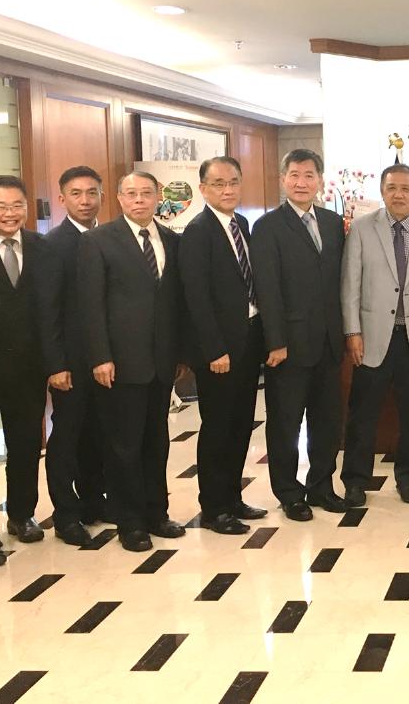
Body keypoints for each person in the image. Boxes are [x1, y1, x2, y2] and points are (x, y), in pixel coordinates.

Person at [78, 171, 186, 552]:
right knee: (123, 445)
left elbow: (175, 304)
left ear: (158, 197)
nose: (139, 200)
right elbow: (89, 306)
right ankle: (130, 522)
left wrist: (180, 354)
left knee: (157, 441)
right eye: (131, 194)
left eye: (146, 193)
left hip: (161, 361)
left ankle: (157, 512)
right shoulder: (97, 241)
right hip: (119, 363)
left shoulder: (172, 240)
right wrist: (100, 357)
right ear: (119, 199)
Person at [340, 163, 409, 507]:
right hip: (372, 336)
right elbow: (350, 283)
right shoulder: (361, 228)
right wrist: (353, 330)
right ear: (382, 191)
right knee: (362, 415)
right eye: (392, 188)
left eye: (406, 188)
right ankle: (356, 481)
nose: (398, 194)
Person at [251, 149, 347, 522]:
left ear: (320, 181)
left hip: (328, 341)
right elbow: (267, 288)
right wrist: (275, 341)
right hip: (287, 345)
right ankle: (289, 492)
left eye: (309, 175)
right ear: (283, 179)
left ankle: (322, 486)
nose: (302, 182)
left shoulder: (333, 221)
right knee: (286, 422)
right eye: (294, 175)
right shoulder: (268, 227)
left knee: (327, 420)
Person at [179, 156, 267, 534]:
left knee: (241, 424)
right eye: (218, 184)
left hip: (247, 341)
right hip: (218, 351)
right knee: (217, 427)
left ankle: (232, 497)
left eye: (233, 182)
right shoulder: (198, 231)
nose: (227, 189)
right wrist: (213, 350)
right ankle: (214, 508)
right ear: (203, 189)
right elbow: (195, 297)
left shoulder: (240, 224)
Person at [0, 175, 50, 544]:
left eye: (17, 205)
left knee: (25, 446)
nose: (9, 213)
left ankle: (22, 515)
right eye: (0, 206)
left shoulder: (42, 246)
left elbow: (51, 308)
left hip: (29, 369)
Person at [36, 165, 108, 546]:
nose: (85, 200)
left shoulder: (110, 237)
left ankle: (95, 501)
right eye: (76, 193)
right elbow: (47, 311)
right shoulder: (52, 246)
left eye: (92, 193)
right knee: (66, 439)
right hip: (71, 363)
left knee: (98, 434)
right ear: (62, 199)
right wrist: (56, 365)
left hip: (106, 360)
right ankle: (66, 513)